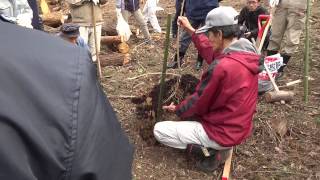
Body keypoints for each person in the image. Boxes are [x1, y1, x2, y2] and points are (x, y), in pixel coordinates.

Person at [0, 19, 133, 180]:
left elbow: (87, 59)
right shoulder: (55, 49)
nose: (74, 41)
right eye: (71, 39)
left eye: (75, 38)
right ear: (64, 35)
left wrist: (89, 76)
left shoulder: (80, 45)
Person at [154, 6, 260, 172]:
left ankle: (211, 152)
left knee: (160, 131)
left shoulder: (222, 67)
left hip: (222, 131)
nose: (207, 38)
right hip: (239, 125)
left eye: (209, 34)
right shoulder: (245, 52)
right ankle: (216, 145)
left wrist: (178, 109)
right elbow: (208, 49)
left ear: (218, 34)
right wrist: (191, 30)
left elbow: (199, 102)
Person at [167, 0, 220, 70]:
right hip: (192, 12)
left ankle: (199, 61)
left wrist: (212, 3)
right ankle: (177, 60)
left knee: (205, 38)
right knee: (185, 37)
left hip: (209, 12)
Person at [266, 0, 307, 78]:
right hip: (281, 5)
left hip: (298, 6)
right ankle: (271, 68)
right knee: (274, 36)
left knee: (291, 39)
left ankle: (279, 69)